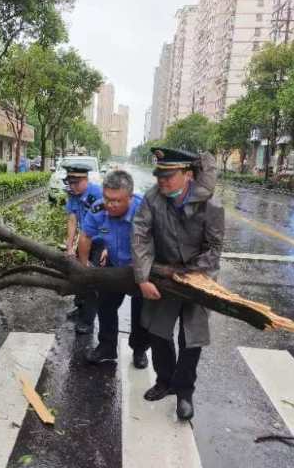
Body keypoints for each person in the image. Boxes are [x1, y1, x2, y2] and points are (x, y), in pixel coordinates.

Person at [132, 147, 223, 421]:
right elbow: (140, 237)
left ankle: (184, 392)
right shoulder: (152, 199)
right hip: (164, 273)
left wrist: (193, 275)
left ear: (187, 174)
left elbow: (214, 247)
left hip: (199, 278)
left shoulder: (210, 205)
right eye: (159, 174)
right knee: (159, 333)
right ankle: (164, 381)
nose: (163, 180)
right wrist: (143, 277)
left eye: (169, 175)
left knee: (191, 338)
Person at [77, 170, 151, 368]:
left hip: (141, 267)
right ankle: (107, 347)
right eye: (108, 199)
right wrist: (84, 266)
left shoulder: (144, 209)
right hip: (114, 264)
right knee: (106, 305)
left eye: (118, 200)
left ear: (130, 196)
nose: (112, 205)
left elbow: (159, 240)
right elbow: (85, 236)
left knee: (142, 311)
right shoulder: (98, 208)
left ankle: (139, 350)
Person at [63, 163, 104, 334]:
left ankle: (87, 320)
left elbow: (109, 222)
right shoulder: (73, 195)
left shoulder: (98, 193)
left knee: (92, 281)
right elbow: (72, 220)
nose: (72, 186)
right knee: (79, 275)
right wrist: (70, 245)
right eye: (70, 183)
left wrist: (107, 248)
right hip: (83, 241)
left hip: (99, 242)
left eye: (76, 183)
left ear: (86, 180)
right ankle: (79, 308)